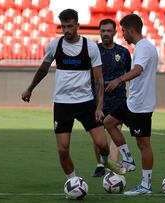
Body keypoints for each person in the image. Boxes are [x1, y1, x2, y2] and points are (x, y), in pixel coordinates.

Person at [21, 9, 122, 179]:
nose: (66, 30)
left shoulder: (90, 46)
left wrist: (99, 107)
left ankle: (105, 162)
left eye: (70, 26)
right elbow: (43, 70)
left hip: (86, 103)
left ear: (77, 26)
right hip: (62, 103)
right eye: (63, 27)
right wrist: (30, 89)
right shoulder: (55, 45)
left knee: (102, 144)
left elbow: (99, 80)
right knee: (63, 148)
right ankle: (73, 181)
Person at [104, 14, 158, 195]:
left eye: (123, 31)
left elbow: (138, 70)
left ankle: (146, 185)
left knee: (144, 144)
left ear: (131, 30)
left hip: (141, 105)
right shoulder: (143, 47)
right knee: (109, 122)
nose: (122, 35)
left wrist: (119, 80)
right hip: (133, 102)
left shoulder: (143, 47)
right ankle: (128, 160)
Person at [91, 18, 132, 177]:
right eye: (103, 31)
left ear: (115, 32)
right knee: (97, 135)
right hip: (96, 99)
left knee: (115, 131)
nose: (106, 34)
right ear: (100, 32)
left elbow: (129, 74)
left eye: (109, 31)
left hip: (118, 99)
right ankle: (100, 164)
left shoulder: (123, 52)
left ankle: (112, 168)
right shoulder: (93, 50)